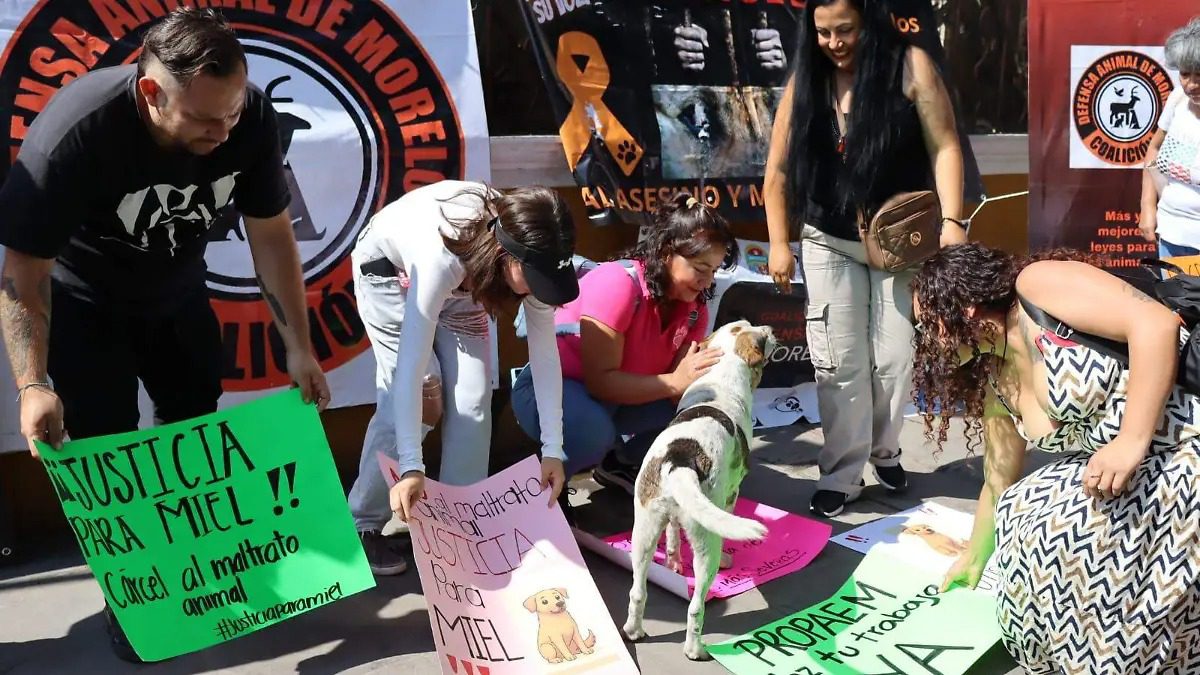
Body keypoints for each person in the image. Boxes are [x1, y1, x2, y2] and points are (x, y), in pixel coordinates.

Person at [0, 8, 330, 662]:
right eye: (206, 120)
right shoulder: (77, 131)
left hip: (178, 292)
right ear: (151, 92)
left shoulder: (246, 115)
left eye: (232, 113)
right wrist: (32, 383)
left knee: (194, 431)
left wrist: (299, 346)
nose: (223, 132)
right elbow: (22, 272)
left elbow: (270, 233)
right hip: (85, 303)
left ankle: (198, 578)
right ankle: (134, 598)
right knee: (111, 453)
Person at [913, 243, 1199, 674]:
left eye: (926, 323)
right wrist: (974, 557)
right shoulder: (997, 378)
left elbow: (1155, 323)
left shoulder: (1036, 287)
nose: (924, 339)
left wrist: (1130, 440)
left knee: (1063, 533)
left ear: (963, 309)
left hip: (1184, 444)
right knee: (1022, 510)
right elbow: (998, 481)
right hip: (1129, 473)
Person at [762, 0, 966, 517]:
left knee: (895, 359)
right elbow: (778, 170)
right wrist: (779, 242)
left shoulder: (910, 65)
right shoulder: (806, 80)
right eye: (823, 32)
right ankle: (842, 474)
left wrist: (952, 222)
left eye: (845, 30)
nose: (834, 43)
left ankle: (885, 451)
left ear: (868, 22)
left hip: (899, 241)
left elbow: (945, 146)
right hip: (828, 240)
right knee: (840, 363)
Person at [347, 180, 578, 575]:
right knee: (425, 394)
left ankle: (456, 530)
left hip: (470, 284)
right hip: (390, 271)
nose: (540, 290)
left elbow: (544, 356)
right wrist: (411, 467)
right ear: (507, 256)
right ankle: (360, 525)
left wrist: (553, 450)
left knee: (473, 399)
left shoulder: (533, 254)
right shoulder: (439, 259)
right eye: (535, 278)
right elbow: (410, 368)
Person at [510, 194, 734, 511]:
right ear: (666, 252)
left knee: (696, 411)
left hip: (616, 402)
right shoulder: (619, 283)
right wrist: (676, 382)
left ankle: (619, 462)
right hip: (552, 392)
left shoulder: (695, 309)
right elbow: (602, 382)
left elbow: (679, 390)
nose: (707, 280)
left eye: (713, 271)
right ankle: (542, 499)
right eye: (700, 268)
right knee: (593, 431)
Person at [1140, 17, 1200, 258]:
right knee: (1174, 287)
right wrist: (1148, 206)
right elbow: (1154, 149)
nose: (1191, 85)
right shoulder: (1177, 100)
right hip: (1171, 236)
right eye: (1185, 74)